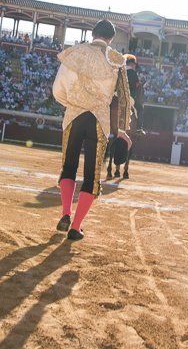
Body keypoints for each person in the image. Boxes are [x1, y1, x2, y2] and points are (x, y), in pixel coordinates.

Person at [52, 20, 132, 241]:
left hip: (74, 115)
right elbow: (124, 98)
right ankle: (75, 227)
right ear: (111, 39)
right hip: (99, 120)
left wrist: (72, 103)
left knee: (68, 166)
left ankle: (65, 213)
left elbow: (58, 88)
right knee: (91, 175)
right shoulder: (116, 59)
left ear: (93, 34)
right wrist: (123, 129)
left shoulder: (75, 52)